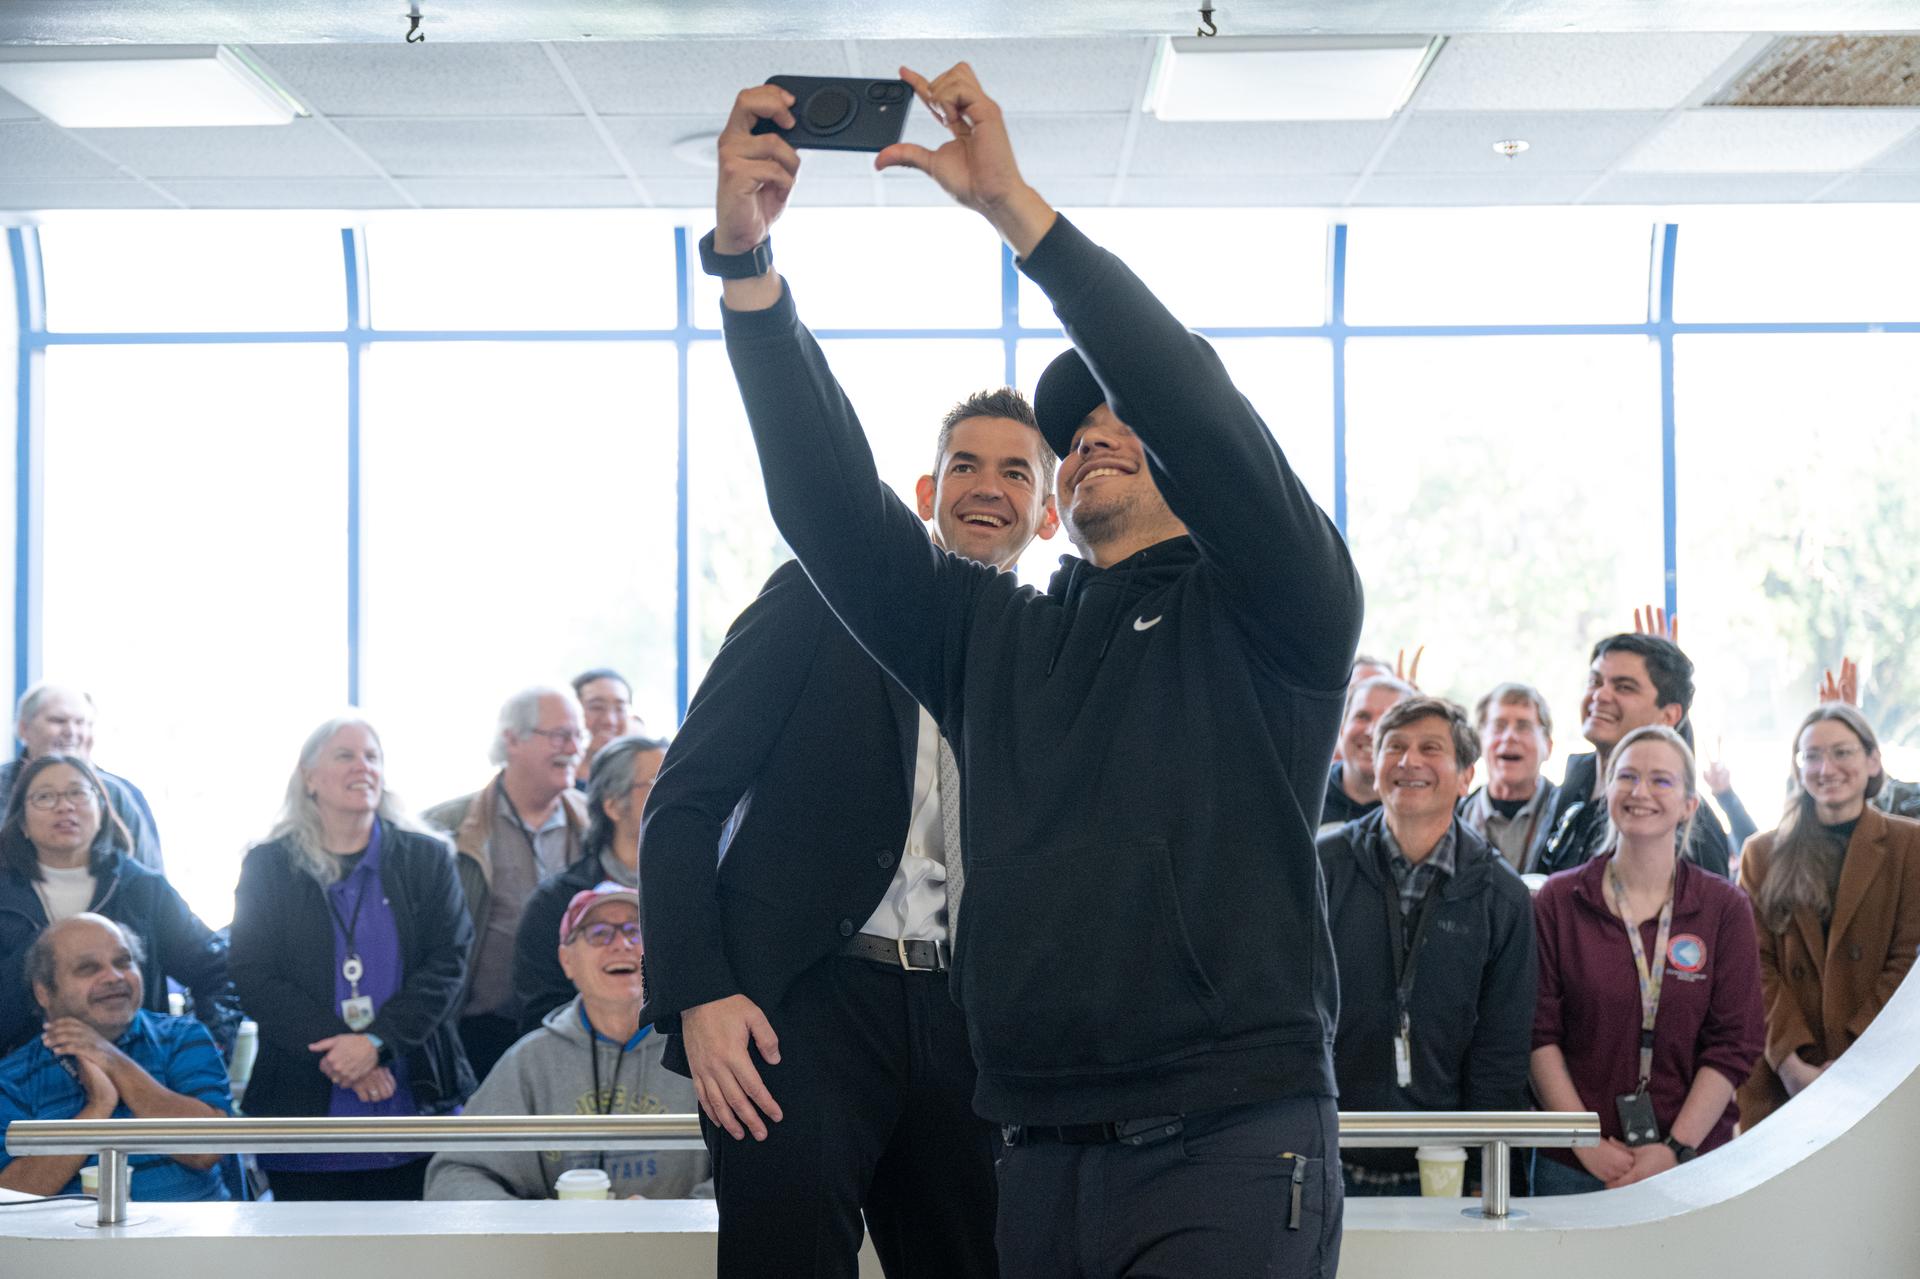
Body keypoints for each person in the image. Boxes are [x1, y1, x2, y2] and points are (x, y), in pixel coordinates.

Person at [707, 63, 1361, 1276]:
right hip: (1037, 1152)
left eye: (1122, 415)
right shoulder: (995, 638)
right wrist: (747, 271)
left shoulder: (1284, 608)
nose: (1094, 432)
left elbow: (1194, 399)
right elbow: (830, 506)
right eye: (1074, 432)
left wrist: (1016, 212)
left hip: (1229, 1140)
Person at [642, 385, 1057, 1278]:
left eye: (1015, 471)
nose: (988, 487)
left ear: (1047, 512)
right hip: (799, 1011)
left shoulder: (1048, 647)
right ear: (925, 492)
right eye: (966, 466)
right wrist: (697, 994)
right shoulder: (814, 596)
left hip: (968, 1024)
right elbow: (682, 800)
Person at [229, 715, 474, 1201]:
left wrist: (376, 1044)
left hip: (415, 1094)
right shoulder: (268, 866)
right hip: (301, 1104)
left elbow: (449, 964)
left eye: (372, 756)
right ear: (309, 776)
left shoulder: (426, 859)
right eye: (345, 755)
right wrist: (348, 1052)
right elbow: (254, 975)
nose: (363, 766)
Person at [1530, 725, 1763, 1195]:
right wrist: (1585, 1141)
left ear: (1689, 804)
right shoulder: (1558, 900)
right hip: (1573, 1164)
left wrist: (1674, 1149)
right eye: (1627, 777)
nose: (1641, 792)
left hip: (1692, 1163)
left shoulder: (1724, 908)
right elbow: (1538, 1034)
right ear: (1607, 790)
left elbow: (1735, 1043)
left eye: (1662, 780)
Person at [1318, 698, 1534, 1197]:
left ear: (1465, 777)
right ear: (1375, 772)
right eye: (1394, 747)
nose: (1408, 761)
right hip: (1331, 1150)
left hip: (1444, 1162)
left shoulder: (1502, 895)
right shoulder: (1323, 868)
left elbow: (1502, 1047)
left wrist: (1485, 1171)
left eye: (1430, 748)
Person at [427, 883, 709, 1201]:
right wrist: (544, 1225)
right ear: (566, 960)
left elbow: (755, 1171)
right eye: (599, 933)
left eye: (636, 930)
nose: (621, 944)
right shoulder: (530, 1061)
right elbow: (452, 1175)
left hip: (678, 1247)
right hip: (557, 1249)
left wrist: (670, 1222)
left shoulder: (702, 1049)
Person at [1735, 705, 1920, 1128]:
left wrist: (1855, 1057)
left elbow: (1908, 961)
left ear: (1872, 760)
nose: (1826, 768)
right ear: (1797, 767)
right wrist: (1790, 1061)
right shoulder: (1761, 853)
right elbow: (1753, 966)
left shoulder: (1910, 845)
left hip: (1877, 1066)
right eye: (1812, 756)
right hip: (1781, 1073)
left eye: (1842, 752)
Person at [0, 754, 235, 1056]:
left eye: (78, 793)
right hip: (17, 1079)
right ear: (21, 823)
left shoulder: (142, 889)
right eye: (45, 797)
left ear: (102, 810)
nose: (65, 806)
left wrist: (205, 1051)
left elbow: (217, 971)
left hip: (135, 1073)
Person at [0, 915, 233, 1201]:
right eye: (88, 968)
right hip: (71, 1244)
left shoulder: (181, 1036)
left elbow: (207, 1150)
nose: (114, 977)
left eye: (124, 962)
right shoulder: (13, 1076)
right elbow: (7, 1197)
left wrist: (112, 1060)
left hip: (196, 1239)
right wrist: (97, 1109)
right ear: (44, 992)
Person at [425, 687, 592, 1079]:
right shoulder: (444, 828)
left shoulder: (598, 826)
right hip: (475, 1032)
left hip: (573, 1030)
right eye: (559, 735)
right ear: (512, 740)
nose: (572, 748)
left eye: (577, 736)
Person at [1538, 634, 1730, 878]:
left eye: (1624, 687)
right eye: (1595, 682)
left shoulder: (1685, 819)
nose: (1600, 696)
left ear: (1668, 716)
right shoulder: (1573, 785)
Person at [515, 733, 668, 1034]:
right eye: (658, 782)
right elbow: (540, 1013)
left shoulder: (701, 892)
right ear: (613, 805)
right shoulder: (555, 903)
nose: (677, 794)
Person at [2, 682, 163, 873]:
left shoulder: (120, 795)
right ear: (23, 728)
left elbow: (153, 885)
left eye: (81, 723)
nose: (72, 732)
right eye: (58, 720)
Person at [1457, 682, 1559, 873]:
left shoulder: (1568, 819)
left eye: (1524, 727)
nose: (1510, 736)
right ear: (1479, 743)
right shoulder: (1455, 817)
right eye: (1499, 726)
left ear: (1548, 746)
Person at [1322, 676, 1415, 832]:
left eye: (1387, 720)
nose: (1372, 731)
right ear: (1342, 726)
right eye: (1363, 716)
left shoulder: (1420, 812)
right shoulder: (1305, 792)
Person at [573, 668, 648, 783]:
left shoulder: (641, 779)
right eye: (597, 707)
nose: (610, 720)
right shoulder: (558, 781)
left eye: (620, 708)